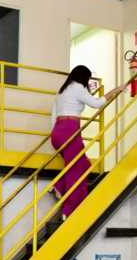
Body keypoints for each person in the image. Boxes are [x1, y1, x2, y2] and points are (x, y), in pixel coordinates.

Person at [50, 65, 125, 217]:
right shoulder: (78, 88)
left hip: (57, 133)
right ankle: (70, 210)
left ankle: (59, 187)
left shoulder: (62, 91)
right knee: (76, 170)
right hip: (70, 130)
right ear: (84, 77)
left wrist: (56, 135)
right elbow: (96, 103)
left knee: (83, 164)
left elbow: (53, 115)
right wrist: (116, 90)